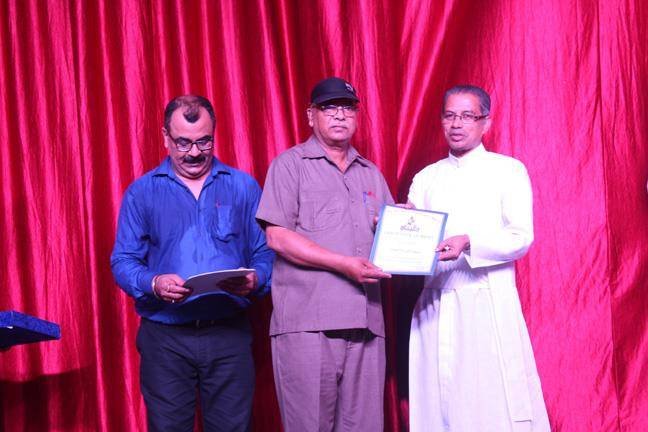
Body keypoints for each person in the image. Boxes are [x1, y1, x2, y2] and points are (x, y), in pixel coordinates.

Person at [111, 94, 274, 432]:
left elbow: (265, 252)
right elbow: (123, 261)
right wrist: (154, 283)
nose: (195, 152)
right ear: (165, 137)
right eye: (183, 143)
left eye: (204, 141)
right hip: (165, 338)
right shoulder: (142, 193)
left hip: (228, 333)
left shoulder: (243, 186)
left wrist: (256, 279)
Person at [407, 85, 550, 432]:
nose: (457, 124)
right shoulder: (426, 177)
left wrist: (469, 242)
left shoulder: (507, 171)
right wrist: (398, 225)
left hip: (487, 300)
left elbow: (520, 237)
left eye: (467, 116)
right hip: (435, 302)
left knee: (488, 403)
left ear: (486, 122)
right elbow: (414, 240)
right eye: (449, 115)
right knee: (437, 403)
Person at [256, 77, 393, 431]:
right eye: (329, 107)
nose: (339, 115)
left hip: (366, 323)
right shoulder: (290, 165)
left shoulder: (371, 173)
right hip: (308, 325)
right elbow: (278, 238)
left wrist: (402, 227)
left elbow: (391, 244)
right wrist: (343, 265)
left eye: (347, 107)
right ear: (310, 116)